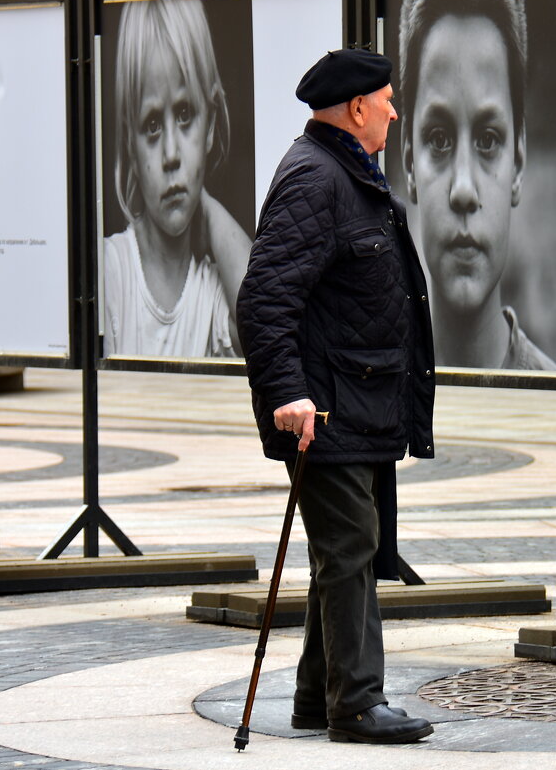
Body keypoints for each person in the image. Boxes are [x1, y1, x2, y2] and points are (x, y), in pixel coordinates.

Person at [236, 49, 436, 745]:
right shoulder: (315, 178)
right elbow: (264, 300)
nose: (393, 111)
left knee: (347, 547)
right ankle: (357, 701)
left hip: (358, 402)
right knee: (350, 545)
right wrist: (286, 392)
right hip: (323, 410)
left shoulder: (347, 173)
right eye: (386, 100)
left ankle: (317, 697)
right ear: (356, 108)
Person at [397, 0, 556, 371]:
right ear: (409, 162)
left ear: (518, 161)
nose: (464, 190)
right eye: (438, 139)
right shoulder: (359, 397)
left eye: (488, 140)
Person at [103, 0, 250, 358]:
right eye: (151, 125)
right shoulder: (110, 270)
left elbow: (267, 319)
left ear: (211, 124)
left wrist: (207, 206)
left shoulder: (213, 291)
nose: (171, 154)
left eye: (185, 115)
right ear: (130, 147)